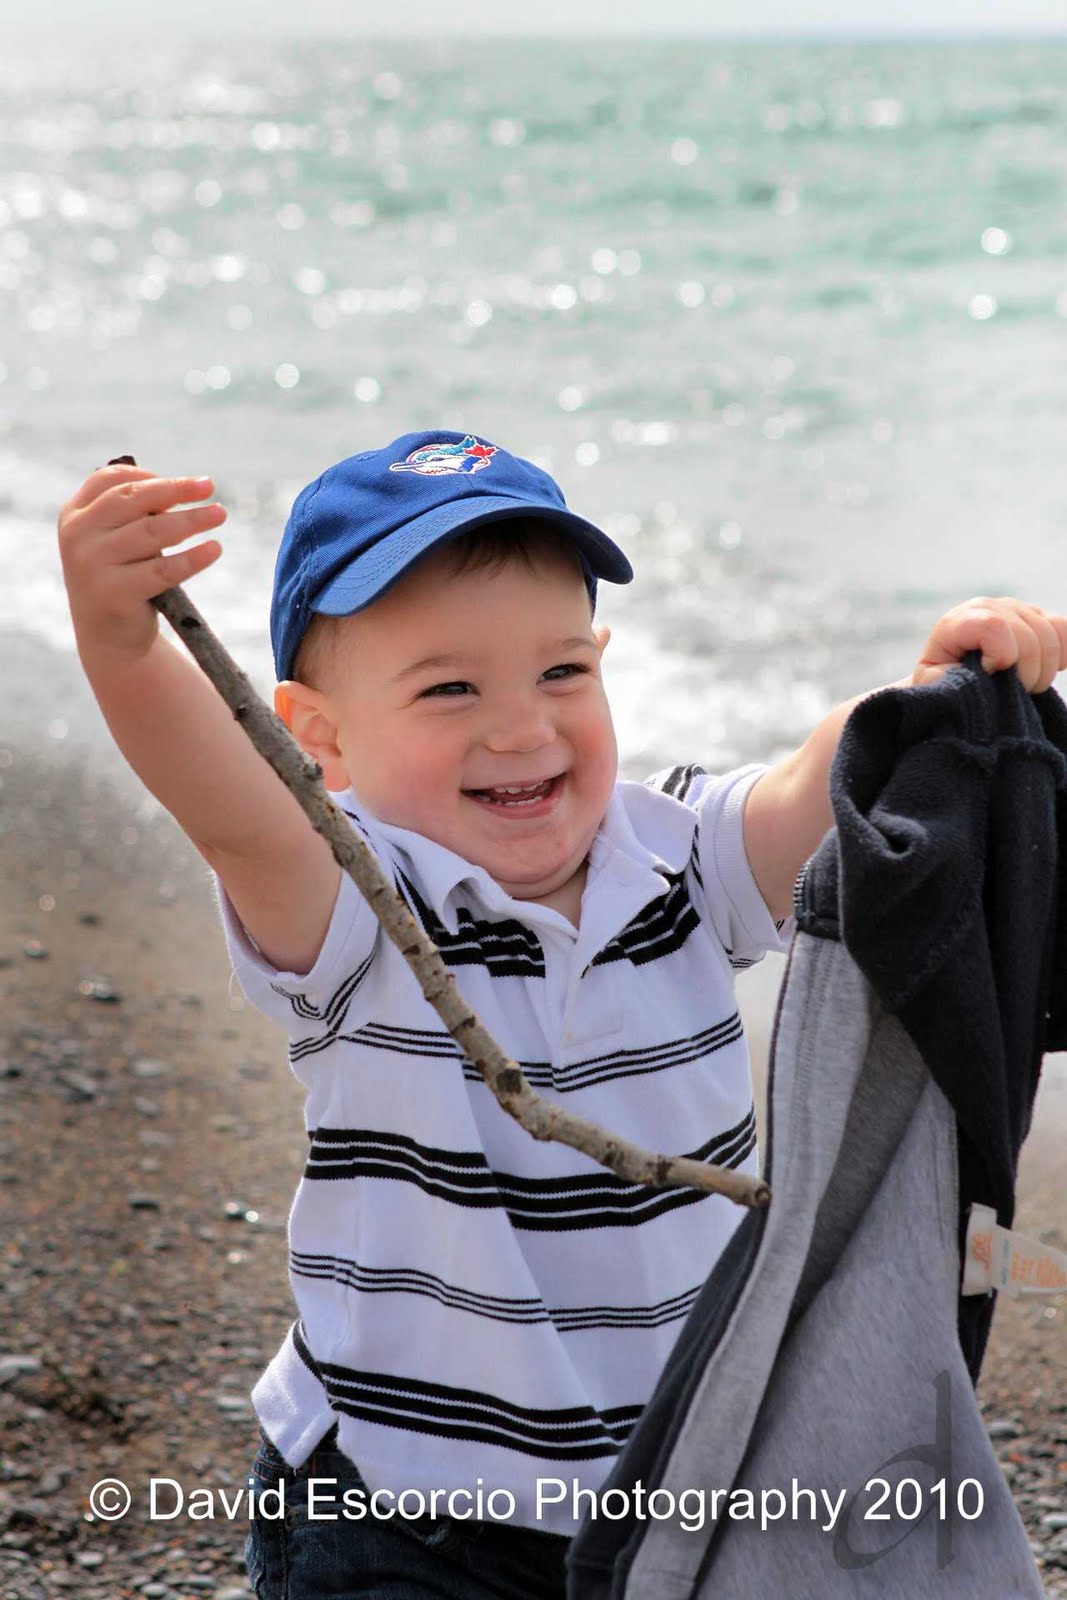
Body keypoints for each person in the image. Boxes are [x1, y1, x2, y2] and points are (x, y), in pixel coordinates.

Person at [57, 432, 1067, 1600]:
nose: (520, 728)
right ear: (317, 737)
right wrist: (119, 640)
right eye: (449, 688)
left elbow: (818, 788)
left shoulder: (678, 854)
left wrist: (929, 689)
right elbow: (227, 805)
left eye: (559, 673)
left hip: (667, 1482)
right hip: (400, 1500)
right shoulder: (355, 900)